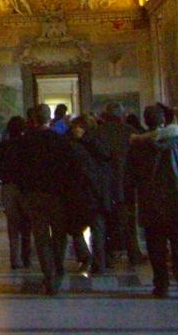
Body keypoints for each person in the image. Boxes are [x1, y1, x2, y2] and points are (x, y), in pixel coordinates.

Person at [126, 105, 178, 297]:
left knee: (155, 244)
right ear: (163, 121)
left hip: (150, 201)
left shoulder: (138, 146)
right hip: (177, 199)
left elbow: (130, 176)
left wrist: (129, 198)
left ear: (146, 122)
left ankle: (161, 284)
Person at [17, 103, 76, 294]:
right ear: (49, 118)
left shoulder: (26, 141)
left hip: (34, 195)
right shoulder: (59, 140)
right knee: (59, 234)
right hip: (57, 195)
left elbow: (20, 171)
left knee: (41, 236)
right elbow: (70, 167)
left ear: (34, 119)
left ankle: (49, 274)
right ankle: (58, 266)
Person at [95, 103, 143, 264]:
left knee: (106, 220)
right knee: (128, 221)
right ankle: (133, 253)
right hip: (126, 183)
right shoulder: (130, 132)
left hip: (104, 184)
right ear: (121, 115)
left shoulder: (97, 132)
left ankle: (106, 255)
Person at [65, 116, 113, 274]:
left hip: (80, 192)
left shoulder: (72, 146)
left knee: (76, 227)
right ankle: (100, 263)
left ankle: (86, 256)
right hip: (98, 192)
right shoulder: (100, 142)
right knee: (97, 229)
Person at [0, 116, 32, 268]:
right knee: (26, 223)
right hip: (24, 187)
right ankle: (26, 256)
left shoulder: (4, 145)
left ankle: (14, 258)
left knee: (12, 223)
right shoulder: (27, 144)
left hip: (8, 186)